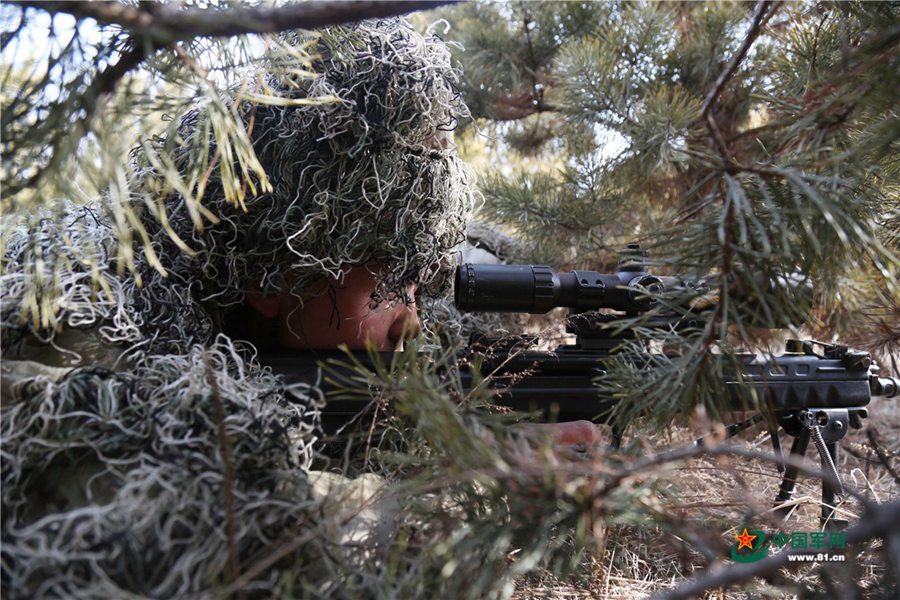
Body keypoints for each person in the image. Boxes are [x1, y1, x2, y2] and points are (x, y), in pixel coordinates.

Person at [0, 18, 599, 598]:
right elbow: (189, 515)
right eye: (386, 285)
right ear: (275, 274)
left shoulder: (327, 293)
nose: (412, 316)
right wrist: (466, 491)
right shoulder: (83, 307)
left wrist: (483, 429)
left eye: (417, 281)